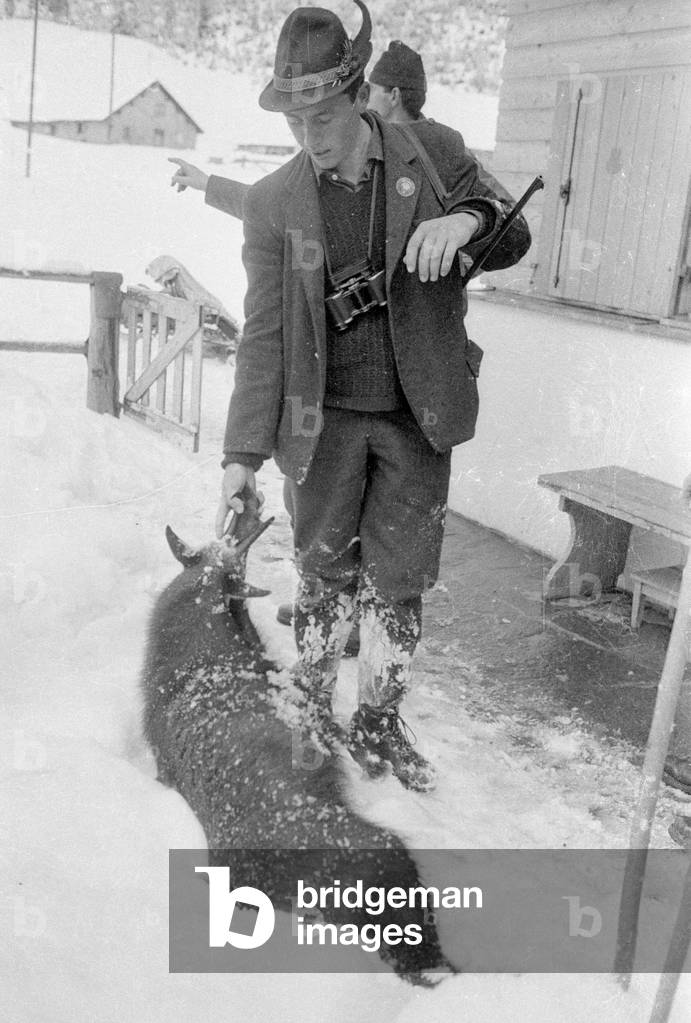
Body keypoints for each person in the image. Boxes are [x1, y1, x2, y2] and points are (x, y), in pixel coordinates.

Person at [212, 0, 531, 794]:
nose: (310, 135)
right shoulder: (272, 203)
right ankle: (315, 705)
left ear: (358, 94)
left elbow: (513, 233)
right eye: (295, 120)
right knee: (322, 575)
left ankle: (380, 717)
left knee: (400, 582)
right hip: (321, 427)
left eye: (323, 114)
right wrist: (239, 454)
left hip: (416, 417)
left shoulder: (432, 153)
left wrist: (465, 220)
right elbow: (262, 337)